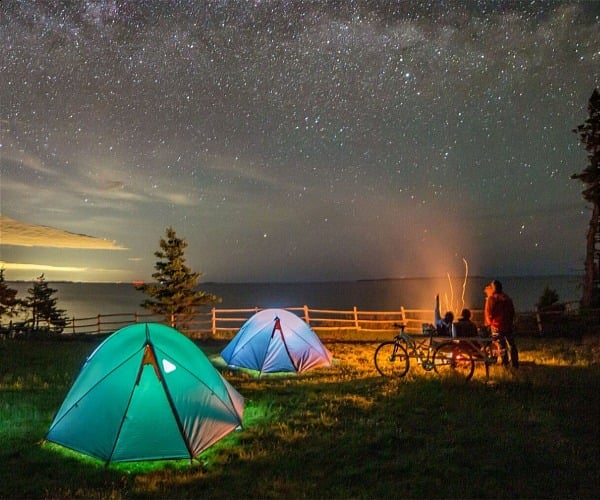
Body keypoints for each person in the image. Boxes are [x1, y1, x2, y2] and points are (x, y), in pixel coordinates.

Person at [484, 279, 519, 368]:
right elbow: (512, 311)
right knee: (511, 344)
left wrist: (488, 324)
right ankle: (515, 363)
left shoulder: (492, 299)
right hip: (508, 325)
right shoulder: (507, 298)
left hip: (497, 326)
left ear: (494, 288)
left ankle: (505, 363)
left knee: (501, 345)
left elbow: (489, 313)